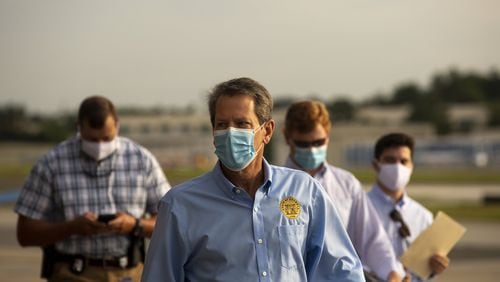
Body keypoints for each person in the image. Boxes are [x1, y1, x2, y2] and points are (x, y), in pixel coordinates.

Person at [142, 77, 365, 281]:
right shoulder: (180, 205)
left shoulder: (303, 190)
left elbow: (341, 270)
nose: (230, 133)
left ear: (267, 131)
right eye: (222, 125)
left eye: (242, 124)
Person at [14, 96, 171, 281]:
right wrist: (71, 228)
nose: (100, 147)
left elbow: (170, 221)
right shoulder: (52, 164)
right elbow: (25, 234)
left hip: (127, 274)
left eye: (107, 138)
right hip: (72, 273)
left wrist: (135, 225)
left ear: (117, 126)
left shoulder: (141, 160)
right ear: (78, 128)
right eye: (92, 140)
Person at [282, 100, 405, 282]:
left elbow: (371, 238)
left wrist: (391, 272)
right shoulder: (275, 185)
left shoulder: (346, 184)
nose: (312, 149)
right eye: (303, 144)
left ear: (328, 136)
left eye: (318, 142)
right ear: (287, 138)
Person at [367, 132, 450, 281]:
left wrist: (434, 267)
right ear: (376, 165)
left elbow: (425, 273)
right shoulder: (360, 209)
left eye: (404, 161)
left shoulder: (423, 216)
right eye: (390, 160)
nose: (398, 167)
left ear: (412, 166)